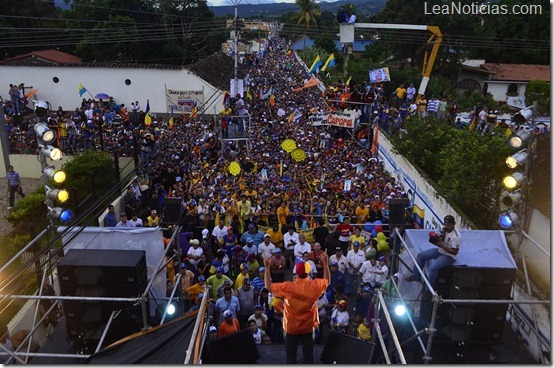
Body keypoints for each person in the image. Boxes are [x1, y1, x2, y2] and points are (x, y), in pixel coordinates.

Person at [263, 251, 330, 364]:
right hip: (308, 327)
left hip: (291, 327)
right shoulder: (314, 286)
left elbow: (268, 286)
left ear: (296, 273)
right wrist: (325, 263)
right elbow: (327, 281)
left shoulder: (288, 287)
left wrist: (267, 268)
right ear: (307, 272)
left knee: (290, 356)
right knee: (308, 355)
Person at [405, 215, 462, 287]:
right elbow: (435, 239)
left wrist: (441, 245)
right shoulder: (442, 229)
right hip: (440, 250)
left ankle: (428, 289)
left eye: (449, 225)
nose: (446, 226)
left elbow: (455, 252)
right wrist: (433, 239)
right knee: (421, 255)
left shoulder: (457, 236)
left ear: (453, 224)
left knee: (433, 267)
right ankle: (416, 275)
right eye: (445, 224)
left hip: (449, 256)